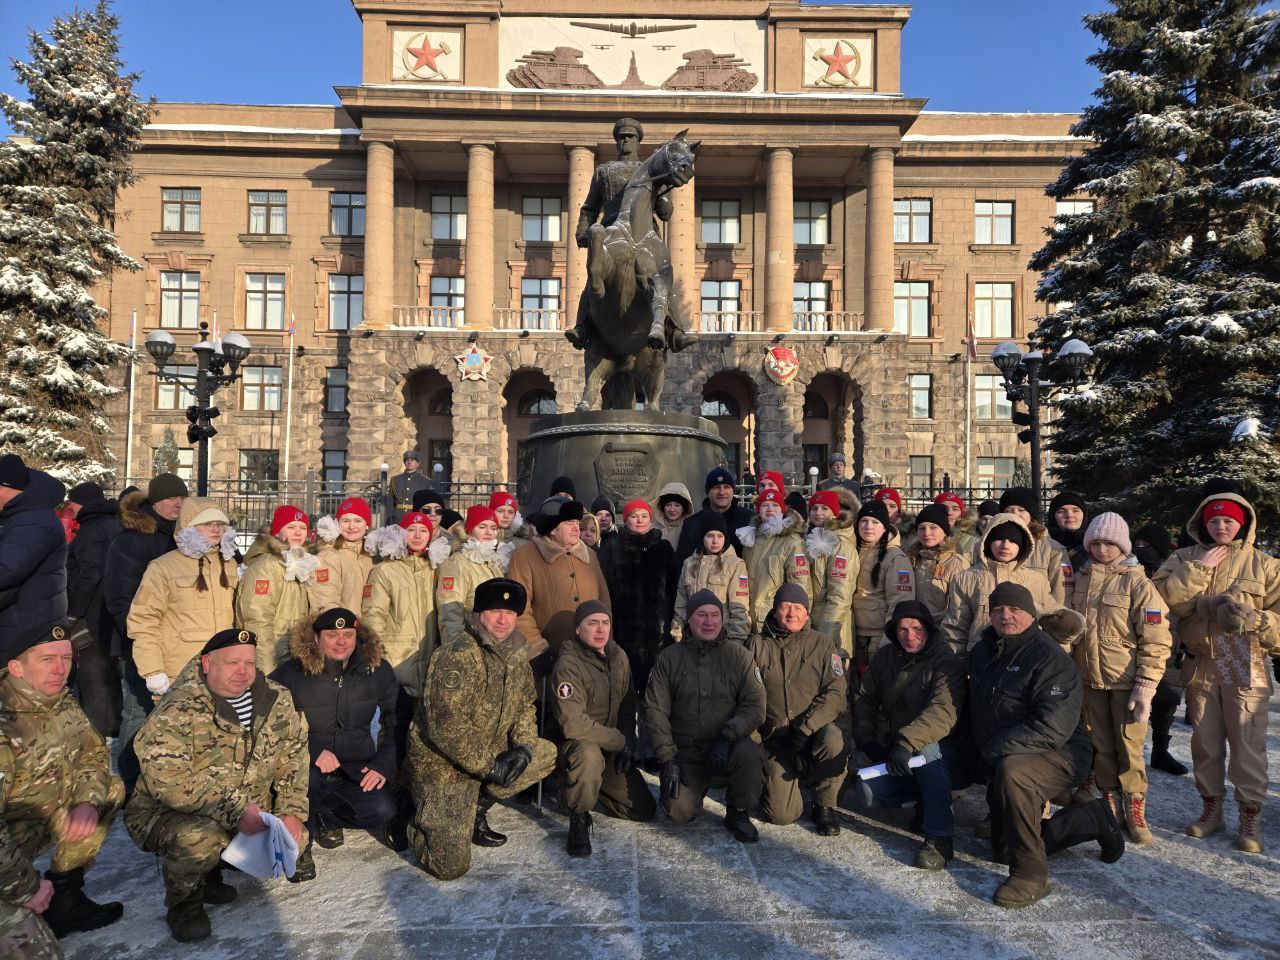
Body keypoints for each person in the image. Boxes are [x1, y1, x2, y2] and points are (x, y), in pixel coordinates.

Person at [125, 628, 311, 942]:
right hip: (166, 812)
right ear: (207, 664)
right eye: (232, 663)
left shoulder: (276, 698)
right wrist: (237, 811)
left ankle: (211, 871)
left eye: (249, 663)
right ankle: (185, 904)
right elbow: (170, 783)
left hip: (247, 803)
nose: (243, 671)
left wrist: (290, 811)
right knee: (200, 839)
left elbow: (293, 755)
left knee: (298, 836)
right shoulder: (176, 710)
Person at [970, 583, 1124, 908]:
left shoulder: (1050, 659)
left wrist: (991, 752)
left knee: (1015, 773)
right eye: (998, 610)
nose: (1006, 616)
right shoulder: (983, 653)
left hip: (1062, 752)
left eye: (1015, 609)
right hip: (1007, 751)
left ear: (1031, 614)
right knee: (1004, 849)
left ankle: (1030, 876)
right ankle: (1093, 819)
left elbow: (1051, 727)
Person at [1153, 493, 1280, 853]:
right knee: (1205, 742)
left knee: (1247, 743)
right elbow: (1161, 599)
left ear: (1243, 523)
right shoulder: (1184, 557)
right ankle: (1211, 809)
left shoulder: (1266, 565)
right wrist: (1199, 569)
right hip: (1201, 659)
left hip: (1242, 656)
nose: (1220, 526)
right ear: (1202, 523)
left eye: (1228, 520)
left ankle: (1249, 815)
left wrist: (1255, 619)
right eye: (1213, 520)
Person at [405, 578, 556, 880]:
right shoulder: (457, 655)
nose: (503, 620)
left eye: (510, 613)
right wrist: (490, 767)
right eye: (495, 611)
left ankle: (474, 809)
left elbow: (525, 706)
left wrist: (524, 747)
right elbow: (447, 728)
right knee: (450, 867)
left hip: (488, 753)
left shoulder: (516, 652)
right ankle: (416, 816)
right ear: (477, 615)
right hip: (444, 764)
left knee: (543, 754)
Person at [0, 624, 124, 955]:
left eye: (66, 658)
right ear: (16, 668)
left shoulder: (59, 699)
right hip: (5, 845)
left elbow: (93, 754)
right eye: (47, 659)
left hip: (25, 827)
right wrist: (27, 890)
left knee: (109, 790)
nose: (60, 669)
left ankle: (65, 899)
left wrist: (86, 801)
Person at [1065, 513, 1171, 844]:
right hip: (1089, 681)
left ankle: (1134, 804)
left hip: (1125, 682)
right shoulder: (1079, 579)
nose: (1102, 549)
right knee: (1101, 746)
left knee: (1129, 747)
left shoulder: (1138, 584)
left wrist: (1146, 684)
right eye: (1095, 543)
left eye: (1109, 543)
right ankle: (1109, 800)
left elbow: (1155, 637)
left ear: (1123, 546)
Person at [270, 608, 404, 852]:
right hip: (306, 768)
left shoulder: (376, 670)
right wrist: (312, 750)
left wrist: (384, 764)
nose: (341, 642)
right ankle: (299, 848)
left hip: (355, 765)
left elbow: (398, 717)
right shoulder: (292, 674)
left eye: (348, 635)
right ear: (316, 638)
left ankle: (326, 818)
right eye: (332, 635)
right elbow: (269, 725)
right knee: (307, 784)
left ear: (357, 636)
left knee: (383, 810)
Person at [643, 591, 766, 841]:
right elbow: (655, 710)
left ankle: (738, 811)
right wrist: (667, 759)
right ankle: (691, 790)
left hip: (728, 747)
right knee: (678, 812)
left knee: (751, 755)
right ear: (689, 620)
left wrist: (727, 738)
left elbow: (755, 705)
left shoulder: (739, 656)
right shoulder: (669, 658)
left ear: (722, 619)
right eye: (701, 615)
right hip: (687, 752)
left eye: (714, 615)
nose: (709, 622)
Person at [854, 601, 966, 869]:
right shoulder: (885, 657)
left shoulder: (946, 662)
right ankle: (926, 800)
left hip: (943, 750)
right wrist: (867, 739)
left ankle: (940, 837)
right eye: (902, 629)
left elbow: (942, 712)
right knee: (868, 791)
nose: (910, 636)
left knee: (927, 752)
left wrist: (905, 743)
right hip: (901, 750)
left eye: (917, 629)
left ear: (928, 629)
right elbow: (865, 698)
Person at [568, 116, 693, 351]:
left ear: (638, 141)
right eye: (621, 137)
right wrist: (584, 232)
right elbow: (590, 207)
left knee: (664, 276)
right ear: (616, 141)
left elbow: (664, 212)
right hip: (611, 231)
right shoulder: (604, 171)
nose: (625, 140)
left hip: (646, 233)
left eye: (630, 136)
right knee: (593, 275)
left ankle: (675, 331)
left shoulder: (648, 169)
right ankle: (582, 326)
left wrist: (664, 201)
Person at [101, 473, 187, 793]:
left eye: (182, 498)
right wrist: (139, 642)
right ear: (154, 501)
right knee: (139, 713)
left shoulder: (185, 537)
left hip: (180, 644)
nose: (178, 503)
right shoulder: (132, 539)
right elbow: (120, 598)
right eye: (171, 498)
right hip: (140, 643)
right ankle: (130, 785)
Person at [552, 601, 656, 857]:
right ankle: (578, 815)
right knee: (589, 755)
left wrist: (628, 745)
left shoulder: (619, 657)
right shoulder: (568, 664)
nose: (600, 630)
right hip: (577, 745)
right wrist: (619, 741)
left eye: (605, 623)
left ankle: (587, 787)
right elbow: (573, 724)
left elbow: (627, 707)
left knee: (642, 809)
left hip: (609, 748)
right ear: (578, 629)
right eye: (592, 623)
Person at [748, 585, 849, 836]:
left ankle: (824, 804)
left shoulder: (823, 644)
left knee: (833, 740)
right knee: (780, 816)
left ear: (807, 614)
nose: (792, 613)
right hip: (776, 741)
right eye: (785, 607)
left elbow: (836, 693)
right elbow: (746, 697)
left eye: (798, 608)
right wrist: (756, 743)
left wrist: (806, 727)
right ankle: (779, 782)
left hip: (812, 733)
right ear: (775, 611)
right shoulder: (756, 645)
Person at [128, 498, 239, 703]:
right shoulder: (164, 567)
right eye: (207, 524)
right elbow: (144, 620)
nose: (216, 529)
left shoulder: (230, 565)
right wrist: (152, 670)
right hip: (180, 673)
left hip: (223, 672)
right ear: (189, 526)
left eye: (220, 523)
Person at [942, 511, 1078, 662]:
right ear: (987, 541)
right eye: (999, 539)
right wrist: (957, 664)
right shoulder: (966, 578)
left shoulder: (1035, 580)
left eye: (1013, 541)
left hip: (1025, 659)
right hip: (981, 659)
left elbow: (1049, 613)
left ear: (1022, 545)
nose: (1005, 546)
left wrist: (1069, 621)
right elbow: (956, 627)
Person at [507, 499, 607, 680]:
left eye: (577, 522)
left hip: (591, 653)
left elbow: (603, 601)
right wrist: (536, 649)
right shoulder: (524, 556)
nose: (576, 528)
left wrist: (606, 639)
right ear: (552, 528)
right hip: (551, 656)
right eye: (569, 523)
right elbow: (519, 608)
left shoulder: (590, 555)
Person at [598, 499, 674, 696]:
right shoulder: (612, 549)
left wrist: (669, 625)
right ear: (626, 520)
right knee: (625, 689)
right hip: (623, 632)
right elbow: (605, 590)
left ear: (650, 520)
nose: (639, 520)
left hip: (657, 633)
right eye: (634, 516)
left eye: (644, 516)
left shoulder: (663, 548)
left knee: (656, 690)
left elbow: (673, 589)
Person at [361, 511, 440, 700]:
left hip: (431, 663)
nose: (418, 535)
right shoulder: (385, 571)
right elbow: (374, 615)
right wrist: (380, 656)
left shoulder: (436, 569)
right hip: (397, 662)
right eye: (411, 530)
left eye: (423, 530)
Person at [64, 484, 122, 737]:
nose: (70, 507)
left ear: (84, 503)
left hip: (94, 614)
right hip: (110, 610)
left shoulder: (92, 529)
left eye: (73, 502)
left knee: (94, 674)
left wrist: (73, 612)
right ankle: (109, 726)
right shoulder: (114, 523)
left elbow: (90, 573)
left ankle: (99, 733)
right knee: (107, 673)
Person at [236, 505, 321, 674]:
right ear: (276, 532)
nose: (297, 532)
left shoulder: (301, 562)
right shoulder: (267, 567)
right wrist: (266, 671)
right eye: (290, 527)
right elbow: (257, 620)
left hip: (293, 655)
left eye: (302, 528)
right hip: (275, 656)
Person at [1132, 523, 1187, 776]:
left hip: (1172, 640)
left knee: (1167, 700)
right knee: (1136, 701)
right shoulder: (1132, 569)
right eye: (1138, 544)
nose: (1141, 549)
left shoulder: (1174, 568)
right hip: (1138, 642)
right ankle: (1133, 753)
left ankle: (1160, 750)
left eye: (1147, 545)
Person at [0, 454, 67, 663]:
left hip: (28, 632)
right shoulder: (20, 517)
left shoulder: (33, 522)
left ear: (5, 487)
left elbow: (5, 570)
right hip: (20, 625)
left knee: (19, 684)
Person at [852, 500, 916, 680]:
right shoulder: (852, 550)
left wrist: (887, 642)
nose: (868, 526)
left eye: (875, 522)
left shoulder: (895, 558)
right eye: (864, 521)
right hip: (853, 635)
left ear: (885, 527)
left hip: (878, 638)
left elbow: (900, 603)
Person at [436, 505, 510, 648]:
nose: (489, 532)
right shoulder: (457, 562)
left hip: (491, 639)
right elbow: (450, 611)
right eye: (482, 527)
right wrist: (455, 647)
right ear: (470, 529)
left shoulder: (493, 561)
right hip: (469, 641)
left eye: (493, 528)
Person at [671, 512, 750, 644]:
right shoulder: (689, 563)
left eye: (720, 536)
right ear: (702, 537)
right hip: (692, 638)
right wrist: (677, 634)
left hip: (722, 639)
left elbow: (739, 607)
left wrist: (736, 640)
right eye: (710, 536)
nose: (715, 541)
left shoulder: (735, 564)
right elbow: (681, 603)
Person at [737, 488, 807, 633]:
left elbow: (800, 584)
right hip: (747, 617)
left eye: (775, 505)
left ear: (782, 510)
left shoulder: (792, 541)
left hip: (775, 619)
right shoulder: (749, 539)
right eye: (765, 505)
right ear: (758, 511)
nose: (770, 509)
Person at [804, 488, 859, 657]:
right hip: (811, 628)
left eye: (825, 508)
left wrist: (825, 639)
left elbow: (840, 597)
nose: (818, 513)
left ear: (835, 513)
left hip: (833, 635)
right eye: (814, 508)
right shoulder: (810, 539)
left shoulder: (841, 545)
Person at [999, 487, 1071, 603]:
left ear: (1031, 515)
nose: (1015, 514)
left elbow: (1062, 591)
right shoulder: (990, 545)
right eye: (1009, 510)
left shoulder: (1053, 549)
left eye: (1021, 510)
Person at [674, 466, 754, 568]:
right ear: (708, 491)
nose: (721, 492)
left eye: (726, 487)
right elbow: (682, 563)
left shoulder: (749, 519)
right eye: (716, 487)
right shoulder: (692, 523)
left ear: (733, 490)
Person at [908, 503, 970, 623]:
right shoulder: (911, 559)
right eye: (921, 528)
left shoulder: (956, 563)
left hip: (942, 629)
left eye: (933, 528)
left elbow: (960, 609)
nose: (926, 533)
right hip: (914, 628)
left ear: (945, 531)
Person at [314, 497, 374, 614]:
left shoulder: (372, 557)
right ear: (337, 524)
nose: (351, 526)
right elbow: (326, 600)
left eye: (358, 521)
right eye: (346, 521)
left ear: (367, 524)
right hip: (343, 624)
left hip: (368, 625)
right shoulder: (328, 556)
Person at [1047, 491, 1090, 573]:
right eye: (1061, 511)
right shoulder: (1043, 543)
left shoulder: (1096, 544)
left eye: (1075, 511)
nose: (1069, 515)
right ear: (1053, 516)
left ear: (1084, 515)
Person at [386, 451, 430, 524]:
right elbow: (390, 501)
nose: (409, 462)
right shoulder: (395, 479)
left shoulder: (425, 481)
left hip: (416, 517)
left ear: (418, 464)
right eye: (407, 460)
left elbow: (427, 503)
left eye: (412, 460)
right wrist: (390, 517)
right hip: (398, 517)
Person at [934, 492, 980, 561]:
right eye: (944, 508)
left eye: (955, 509)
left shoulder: (974, 542)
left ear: (961, 513)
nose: (949, 513)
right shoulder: (924, 536)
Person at [654, 482, 693, 550]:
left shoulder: (691, 528)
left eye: (677, 505)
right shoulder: (653, 527)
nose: (672, 509)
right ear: (663, 507)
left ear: (684, 508)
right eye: (668, 505)